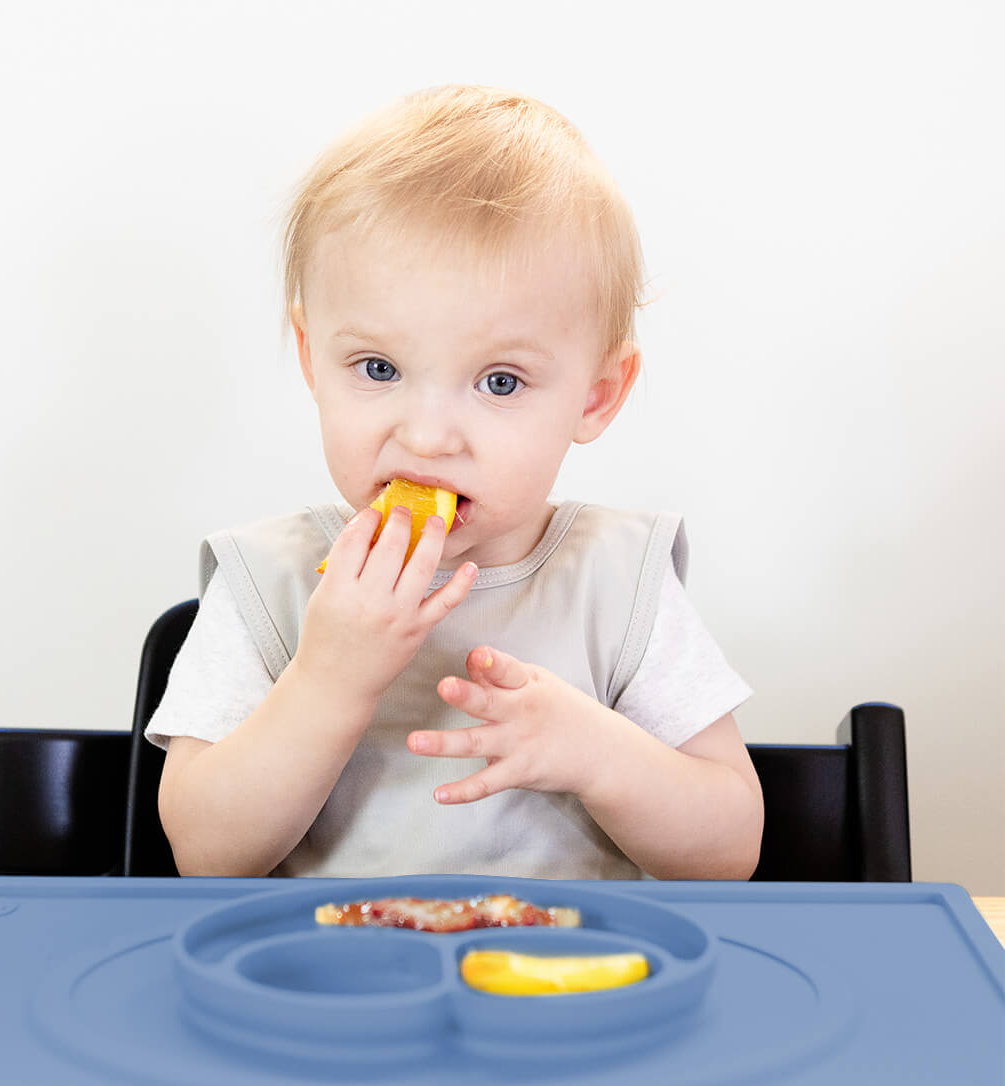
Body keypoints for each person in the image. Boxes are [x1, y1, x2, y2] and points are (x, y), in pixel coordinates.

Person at [147, 83, 763, 881]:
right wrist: (328, 678)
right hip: (329, 959)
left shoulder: (622, 587)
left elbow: (728, 854)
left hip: (565, 960)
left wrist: (600, 754)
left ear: (596, 396)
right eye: (378, 368)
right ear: (311, 358)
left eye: (500, 382)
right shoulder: (271, 584)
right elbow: (205, 855)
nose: (428, 436)